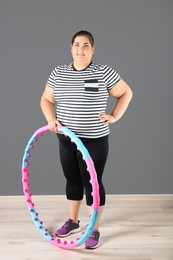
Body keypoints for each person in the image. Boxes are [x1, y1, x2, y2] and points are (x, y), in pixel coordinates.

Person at [40, 30, 133, 249]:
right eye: (76, 45)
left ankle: (94, 229)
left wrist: (115, 116)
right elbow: (45, 99)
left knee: (92, 183)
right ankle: (73, 221)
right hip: (66, 140)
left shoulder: (103, 72)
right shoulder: (58, 73)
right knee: (72, 180)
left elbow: (126, 92)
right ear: (71, 48)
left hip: (93, 140)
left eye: (86, 45)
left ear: (93, 49)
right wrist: (52, 119)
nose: (80, 49)